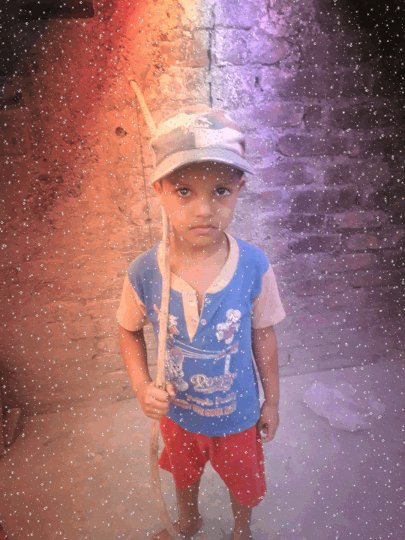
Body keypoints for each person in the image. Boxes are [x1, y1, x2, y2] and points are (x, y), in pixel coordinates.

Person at [116, 105, 286, 540]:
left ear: (240, 188)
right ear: (159, 190)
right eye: (185, 191)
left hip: (237, 413)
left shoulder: (253, 266)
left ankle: (242, 531)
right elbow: (128, 330)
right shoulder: (145, 271)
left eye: (221, 190)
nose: (205, 209)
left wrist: (271, 403)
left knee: (243, 482)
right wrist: (141, 387)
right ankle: (190, 521)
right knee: (183, 474)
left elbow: (263, 335)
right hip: (178, 412)